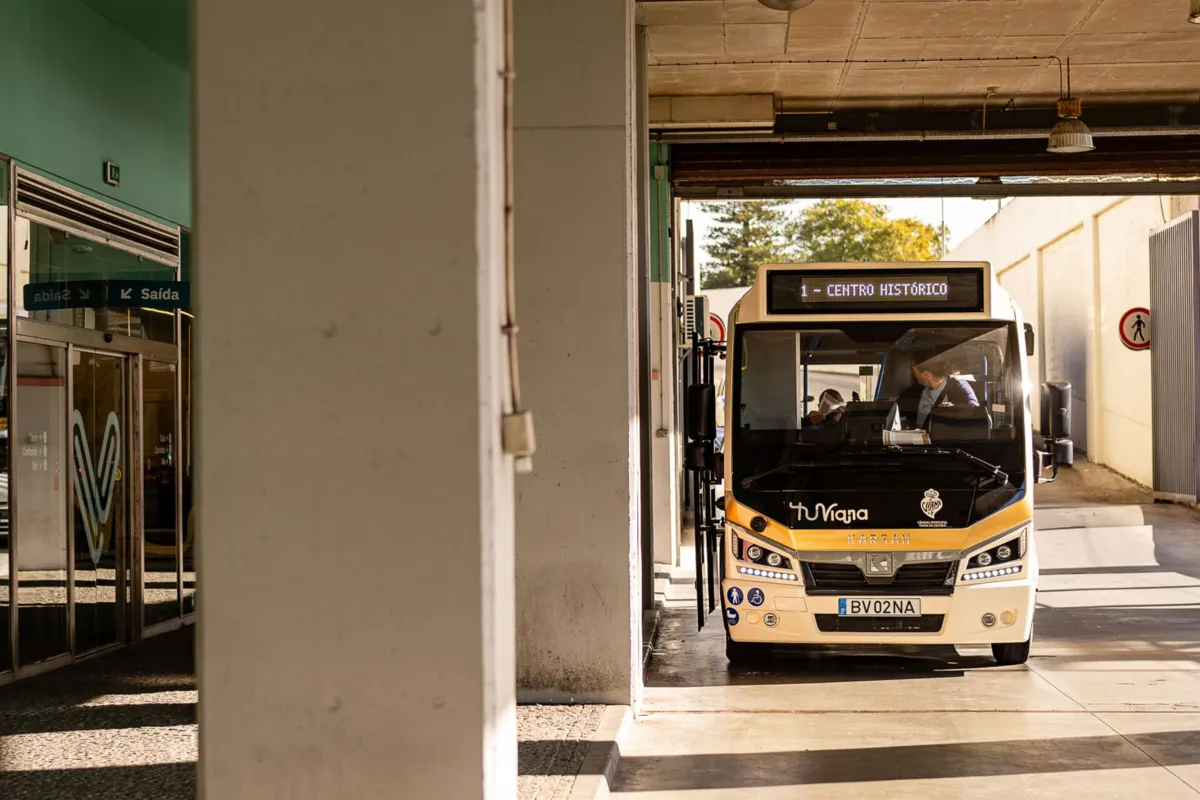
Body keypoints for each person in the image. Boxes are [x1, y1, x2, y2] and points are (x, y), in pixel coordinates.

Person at [898, 354, 979, 430]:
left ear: (926, 374)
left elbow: (975, 411)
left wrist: (954, 407)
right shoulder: (916, 391)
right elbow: (899, 410)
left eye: (914, 371)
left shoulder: (958, 386)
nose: (913, 375)